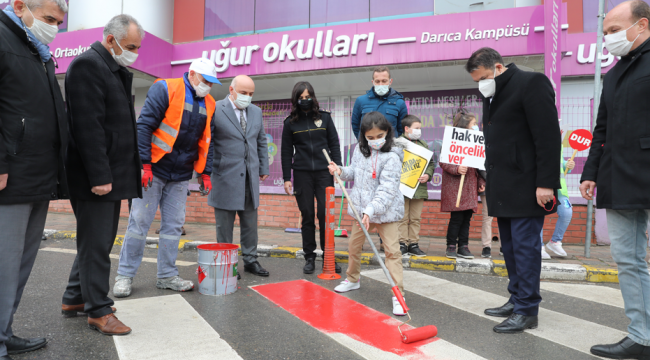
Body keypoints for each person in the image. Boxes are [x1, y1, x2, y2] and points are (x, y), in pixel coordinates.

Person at [465, 47, 561, 333]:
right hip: (502, 186)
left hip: (528, 186)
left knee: (525, 248)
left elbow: (547, 137)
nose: (479, 84)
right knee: (508, 247)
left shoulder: (532, 83)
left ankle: (528, 309)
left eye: (481, 77)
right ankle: (516, 297)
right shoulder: (491, 93)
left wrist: (546, 183)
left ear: (497, 67)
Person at [61, 14, 144, 336]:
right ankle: (98, 310)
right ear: (111, 39)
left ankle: (74, 298)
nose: (134, 52)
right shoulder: (87, 66)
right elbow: (87, 127)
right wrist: (99, 176)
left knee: (96, 241)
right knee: (97, 245)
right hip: (96, 178)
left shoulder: (112, 69)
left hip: (110, 175)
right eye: (131, 46)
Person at [113, 58, 221, 298]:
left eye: (212, 83)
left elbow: (207, 142)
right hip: (155, 170)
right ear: (192, 74)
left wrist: (205, 173)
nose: (208, 87)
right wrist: (145, 165)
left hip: (181, 175)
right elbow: (144, 127)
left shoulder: (210, 103)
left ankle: (167, 276)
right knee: (139, 223)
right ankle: (124, 276)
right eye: (205, 81)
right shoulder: (166, 88)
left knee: (173, 226)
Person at [581, 1, 650, 358]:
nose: (608, 38)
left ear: (641, 24)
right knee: (628, 258)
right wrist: (590, 172)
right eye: (605, 32)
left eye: (613, 30)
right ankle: (642, 336)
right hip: (619, 176)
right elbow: (601, 128)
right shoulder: (615, 73)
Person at [0, 0, 68, 358]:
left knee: (20, 267)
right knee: (3, 265)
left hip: (37, 174)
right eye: (48, 19)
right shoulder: (3, 38)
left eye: (59, 21)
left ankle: (3, 330)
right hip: (10, 176)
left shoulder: (36, 48)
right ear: (20, 5)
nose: (55, 27)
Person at [327, 112, 409, 316]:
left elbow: (387, 190)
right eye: (370, 138)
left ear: (387, 132)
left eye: (379, 136)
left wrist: (370, 210)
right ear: (363, 136)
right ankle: (353, 279)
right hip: (360, 211)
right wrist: (340, 171)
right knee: (354, 247)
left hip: (384, 212)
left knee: (392, 252)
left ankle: (398, 294)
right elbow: (354, 172)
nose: (375, 141)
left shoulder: (392, 157)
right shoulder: (359, 151)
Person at [208, 75, 270, 278]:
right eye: (244, 93)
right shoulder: (216, 108)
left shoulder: (256, 112)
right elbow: (207, 141)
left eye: (251, 94)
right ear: (231, 90)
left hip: (250, 178)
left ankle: (251, 260)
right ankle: (227, 262)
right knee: (224, 225)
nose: (247, 97)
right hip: (224, 176)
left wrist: (263, 167)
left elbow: (260, 140)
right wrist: (205, 171)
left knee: (250, 224)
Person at [281, 82, 342, 274]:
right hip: (301, 173)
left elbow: (334, 143)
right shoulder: (290, 122)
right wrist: (286, 177)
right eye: (301, 98)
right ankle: (309, 257)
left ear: (313, 97)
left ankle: (328, 255)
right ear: (296, 99)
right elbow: (285, 152)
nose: (305, 101)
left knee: (325, 214)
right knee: (307, 215)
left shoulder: (324, 118)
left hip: (324, 173)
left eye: (308, 97)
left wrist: (337, 167)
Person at [351, 66, 408, 250]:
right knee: (366, 193)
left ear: (390, 81)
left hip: (388, 156)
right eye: (378, 81)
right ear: (372, 82)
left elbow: (402, 128)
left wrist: (389, 149)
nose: (381, 84)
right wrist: (367, 145)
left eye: (384, 81)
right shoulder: (361, 101)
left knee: (385, 194)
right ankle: (360, 243)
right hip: (367, 156)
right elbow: (355, 126)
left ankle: (386, 242)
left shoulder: (399, 102)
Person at [440, 113, 485, 260]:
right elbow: (443, 162)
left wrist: (481, 183)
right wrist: (456, 168)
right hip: (456, 186)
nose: (475, 126)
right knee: (457, 218)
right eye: (473, 124)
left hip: (470, 187)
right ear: (465, 126)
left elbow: (479, 166)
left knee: (467, 218)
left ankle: (463, 246)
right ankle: (451, 246)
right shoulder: (451, 141)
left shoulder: (476, 142)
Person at [397, 115, 436, 256]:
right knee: (401, 218)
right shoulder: (397, 144)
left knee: (415, 218)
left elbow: (431, 164)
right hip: (401, 188)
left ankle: (413, 244)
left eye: (420, 128)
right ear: (407, 129)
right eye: (416, 128)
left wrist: (428, 175)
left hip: (418, 188)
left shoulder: (423, 144)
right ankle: (402, 243)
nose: (419, 131)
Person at [541, 151, 575, 260]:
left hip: (559, 188)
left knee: (567, 212)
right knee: (538, 214)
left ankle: (555, 241)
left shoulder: (557, 141)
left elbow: (560, 162)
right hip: (540, 186)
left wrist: (566, 165)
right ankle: (538, 245)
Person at [478, 170, 494, 258]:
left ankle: (504, 246)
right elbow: (480, 168)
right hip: (487, 186)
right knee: (487, 217)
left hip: (504, 185)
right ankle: (486, 246)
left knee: (504, 217)